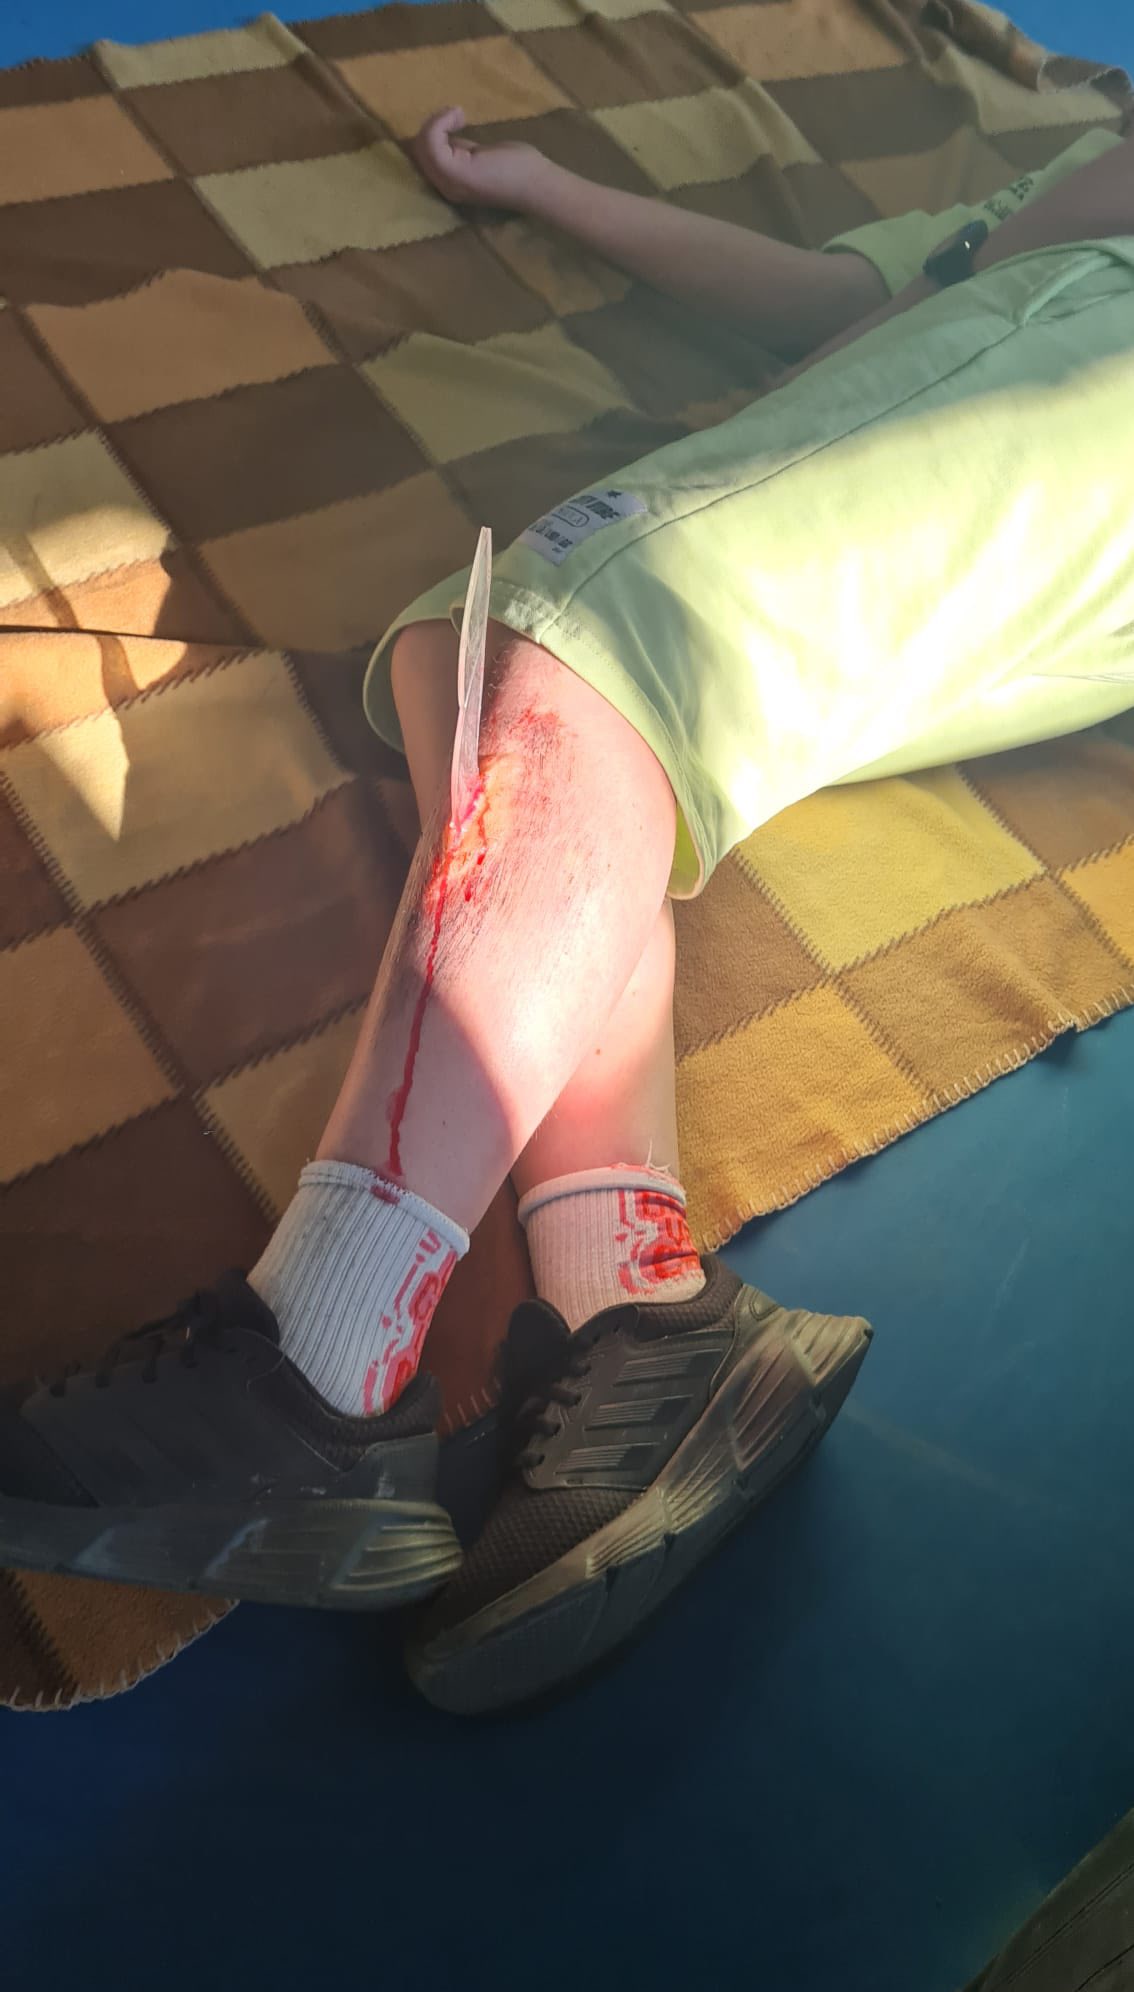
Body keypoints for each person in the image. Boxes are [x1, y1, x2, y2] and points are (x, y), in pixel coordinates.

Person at [1, 108, 1131, 1716]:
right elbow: (835, 291)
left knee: (587, 628)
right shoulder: (1044, 188)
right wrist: (544, 190)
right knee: (465, 656)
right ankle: (643, 1314)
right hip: (1019, 372)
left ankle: (316, 1369)